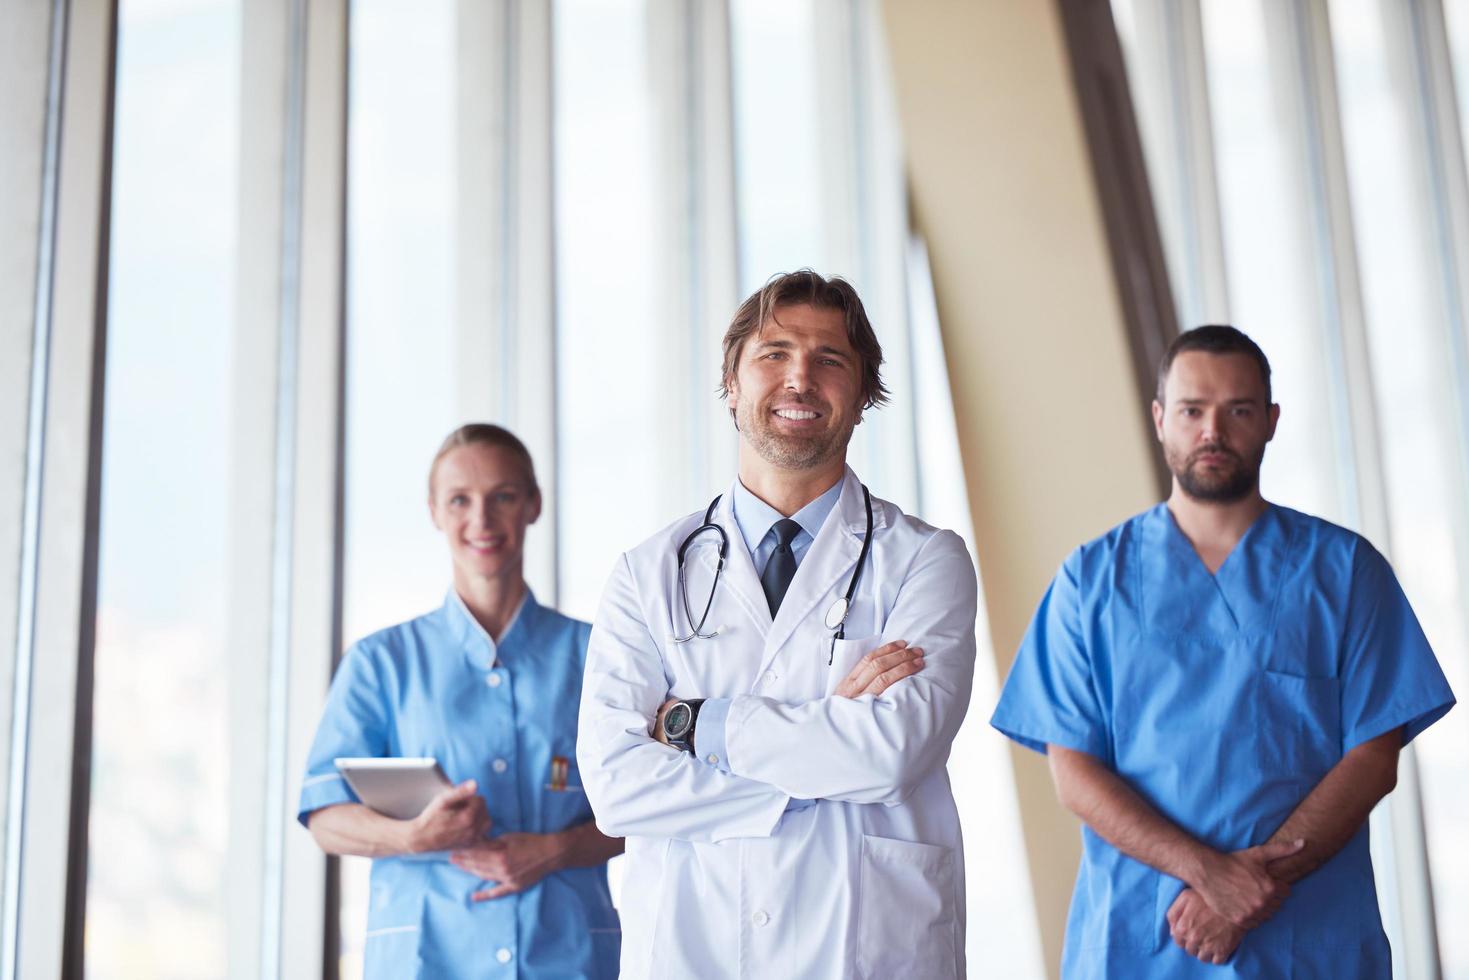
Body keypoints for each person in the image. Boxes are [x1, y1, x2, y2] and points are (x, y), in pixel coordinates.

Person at [991, 325, 1456, 977]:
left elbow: (1373, 757)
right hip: (1143, 933)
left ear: (1268, 422)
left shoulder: (1344, 571)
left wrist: (1246, 896)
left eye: (1237, 410)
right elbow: (1073, 769)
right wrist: (1208, 875)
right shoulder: (1091, 580)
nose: (1212, 431)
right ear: (1159, 419)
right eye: (1191, 410)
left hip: (1305, 937)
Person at [577, 269, 978, 979]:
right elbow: (616, 786)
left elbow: (890, 753)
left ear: (861, 398)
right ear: (731, 384)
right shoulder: (647, 574)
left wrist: (693, 727)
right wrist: (828, 742)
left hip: (865, 949)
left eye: (829, 359)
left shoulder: (924, 562)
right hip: (691, 950)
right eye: (774, 353)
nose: (799, 378)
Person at [298, 424, 623, 980]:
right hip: (428, 959)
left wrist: (559, 848)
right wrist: (409, 836)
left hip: (565, 955)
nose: (481, 520)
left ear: (533, 504)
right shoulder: (381, 663)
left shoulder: (599, 655)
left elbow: (650, 807)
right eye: (459, 500)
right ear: (433, 512)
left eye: (503, 496)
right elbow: (326, 818)